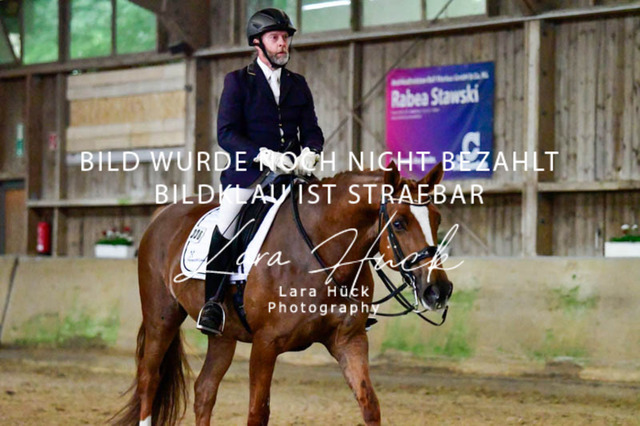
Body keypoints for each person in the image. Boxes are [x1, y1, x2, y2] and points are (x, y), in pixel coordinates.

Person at [197, 8, 324, 335]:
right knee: (228, 221)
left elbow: (311, 129)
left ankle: (337, 303)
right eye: (275, 38)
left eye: (285, 38)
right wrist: (263, 155)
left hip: (292, 175)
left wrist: (311, 151)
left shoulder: (298, 84)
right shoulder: (238, 81)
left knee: (327, 217)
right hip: (248, 175)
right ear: (257, 43)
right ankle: (213, 303)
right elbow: (226, 134)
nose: (283, 44)